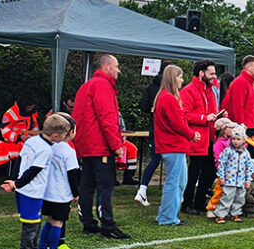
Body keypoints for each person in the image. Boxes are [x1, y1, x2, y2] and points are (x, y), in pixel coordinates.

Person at [1, 114, 71, 249]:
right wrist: (16, 184)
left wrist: (14, 181)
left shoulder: (32, 140)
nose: (66, 138)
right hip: (31, 193)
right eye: (65, 135)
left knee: (35, 223)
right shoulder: (46, 150)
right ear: (55, 135)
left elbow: (19, 159)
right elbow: (33, 171)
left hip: (24, 190)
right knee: (31, 226)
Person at [72, 54, 127, 239]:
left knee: (86, 186)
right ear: (107, 66)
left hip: (87, 145)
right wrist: (117, 145)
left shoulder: (86, 86)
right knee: (105, 187)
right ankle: (108, 225)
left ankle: (87, 222)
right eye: (116, 66)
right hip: (100, 146)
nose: (118, 70)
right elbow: (108, 118)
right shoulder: (102, 86)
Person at [153, 64, 201, 226]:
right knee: (174, 183)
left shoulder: (166, 97)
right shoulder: (168, 98)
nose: (182, 80)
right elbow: (178, 124)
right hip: (172, 146)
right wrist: (192, 134)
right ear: (173, 78)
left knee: (178, 182)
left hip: (173, 146)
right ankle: (168, 217)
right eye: (180, 77)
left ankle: (167, 215)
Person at [36, 113, 80, 249]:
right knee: (58, 222)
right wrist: (76, 193)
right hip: (61, 193)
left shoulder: (50, 147)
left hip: (47, 192)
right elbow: (72, 175)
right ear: (70, 132)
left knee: (49, 220)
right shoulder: (69, 151)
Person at [179, 60, 218, 215]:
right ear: (201, 73)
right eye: (211, 73)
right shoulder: (189, 91)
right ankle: (187, 203)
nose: (214, 77)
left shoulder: (209, 91)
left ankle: (199, 201)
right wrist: (204, 118)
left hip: (209, 137)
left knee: (209, 170)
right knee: (194, 172)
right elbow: (184, 114)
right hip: (197, 138)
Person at [222, 55, 254, 168]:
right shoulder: (241, 82)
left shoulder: (248, 83)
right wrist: (240, 130)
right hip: (245, 128)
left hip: (250, 126)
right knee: (245, 159)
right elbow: (237, 108)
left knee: (251, 159)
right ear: (248, 67)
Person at [213, 125, 254, 224]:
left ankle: (235, 213)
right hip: (229, 180)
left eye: (238, 139)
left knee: (239, 198)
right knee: (227, 197)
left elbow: (248, 167)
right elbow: (221, 164)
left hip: (241, 181)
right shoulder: (227, 151)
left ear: (243, 140)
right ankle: (221, 214)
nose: (235, 141)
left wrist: (248, 180)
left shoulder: (246, 153)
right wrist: (221, 177)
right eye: (233, 139)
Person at [134, 71, 165, 206]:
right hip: (165, 129)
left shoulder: (152, 87)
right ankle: (175, 193)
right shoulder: (167, 89)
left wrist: (152, 109)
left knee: (155, 159)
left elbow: (142, 105)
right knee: (171, 161)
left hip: (154, 127)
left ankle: (143, 188)